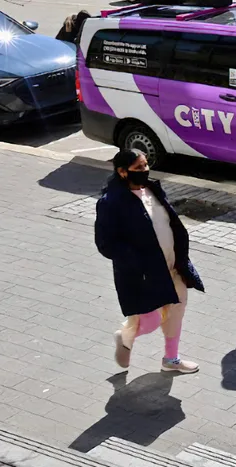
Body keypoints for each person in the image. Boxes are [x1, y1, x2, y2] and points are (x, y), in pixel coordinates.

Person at [95, 148, 204, 374]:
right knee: (151, 321)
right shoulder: (111, 202)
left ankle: (171, 359)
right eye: (138, 168)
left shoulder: (152, 190)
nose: (145, 170)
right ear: (122, 172)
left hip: (174, 267)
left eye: (146, 165)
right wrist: (138, 261)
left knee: (177, 311)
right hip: (143, 274)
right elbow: (106, 244)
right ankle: (126, 336)